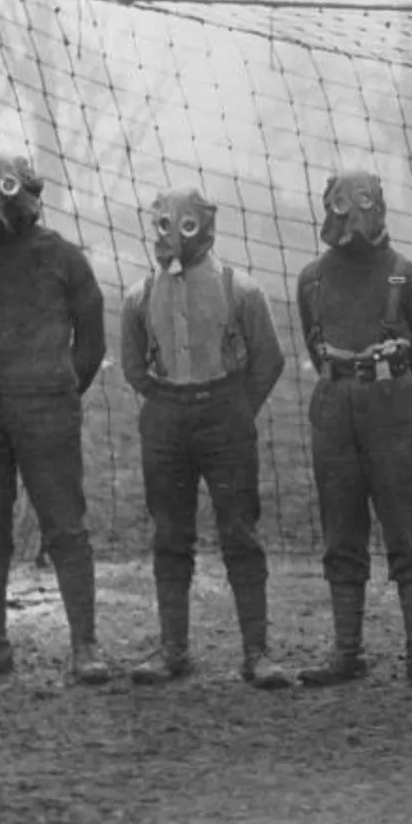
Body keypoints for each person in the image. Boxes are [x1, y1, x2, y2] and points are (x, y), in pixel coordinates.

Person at [0, 153, 111, 685]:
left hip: (46, 409)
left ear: (30, 193)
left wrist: (56, 386)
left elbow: (93, 339)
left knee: (65, 525)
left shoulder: (64, 258)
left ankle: (86, 646)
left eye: (7, 188)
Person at [122, 187, 289, 688]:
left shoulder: (241, 289)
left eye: (186, 225)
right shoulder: (140, 293)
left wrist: (236, 409)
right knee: (171, 534)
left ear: (205, 226)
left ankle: (256, 653)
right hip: (167, 420)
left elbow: (270, 360)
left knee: (240, 533)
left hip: (225, 415)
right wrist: (168, 401)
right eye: (164, 224)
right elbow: (133, 365)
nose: (174, 235)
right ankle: (172, 649)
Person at [293, 172, 412, 688]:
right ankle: (347, 651)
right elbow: (315, 346)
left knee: (406, 524)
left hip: (392, 406)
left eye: (362, 206)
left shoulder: (408, 277)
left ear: (379, 209)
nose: (351, 219)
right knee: (341, 527)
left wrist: (390, 388)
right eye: (341, 206)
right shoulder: (311, 279)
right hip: (335, 406)